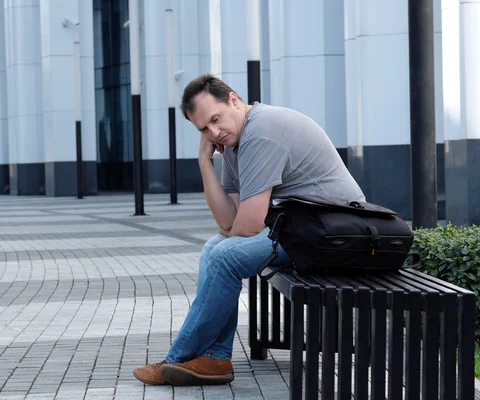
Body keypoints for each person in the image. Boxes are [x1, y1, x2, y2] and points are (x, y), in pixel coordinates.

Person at [133, 74, 365, 386]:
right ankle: (214, 359)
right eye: (203, 129)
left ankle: (178, 359)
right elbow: (229, 221)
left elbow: (248, 225)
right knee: (213, 249)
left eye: (215, 119)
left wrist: (233, 231)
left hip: (334, 233)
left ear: (233, 100)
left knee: (224, 256)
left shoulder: (262, 130)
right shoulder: (231, 144)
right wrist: (204, 161)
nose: (214, 131)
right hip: (302, 228)